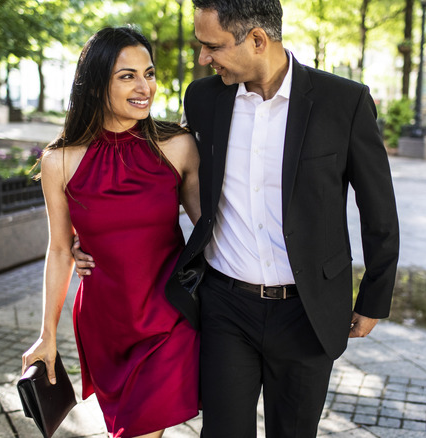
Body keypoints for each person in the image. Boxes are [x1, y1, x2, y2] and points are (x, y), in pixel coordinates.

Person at [76, 0, 399, 435]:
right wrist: (94, 236)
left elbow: (379, 210)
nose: (203, 58)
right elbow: (156, 171)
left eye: (212, 47)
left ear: (258, 40)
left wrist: (374, 298)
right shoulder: (205, 98)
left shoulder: (344, 101)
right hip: (226, 306)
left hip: (309, 310)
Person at [22, 26, 201, 438]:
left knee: (139, 431)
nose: (145, 87)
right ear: (97, 83)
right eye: (128, 76)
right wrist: (46, 335)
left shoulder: (177, 146)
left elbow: (214, 229)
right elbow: (61, 250)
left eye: (149, 73)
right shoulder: (60, 161)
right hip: (105, 323)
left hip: (168, 316)